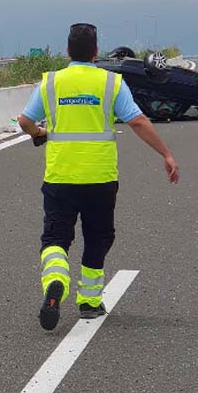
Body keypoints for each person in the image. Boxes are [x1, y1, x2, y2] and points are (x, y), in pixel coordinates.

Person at [18, 23, 179, 331]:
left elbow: (25, 120)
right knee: (98, 237)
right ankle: (90, 302)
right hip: (100, 178)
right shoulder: (111, 84)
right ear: (95, 52)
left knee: (55, 239)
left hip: (60, 177)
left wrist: (40, 133)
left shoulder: (51, 83)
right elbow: (138, 121)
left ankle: (56, 283)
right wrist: (166, 154)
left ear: (67, 51)